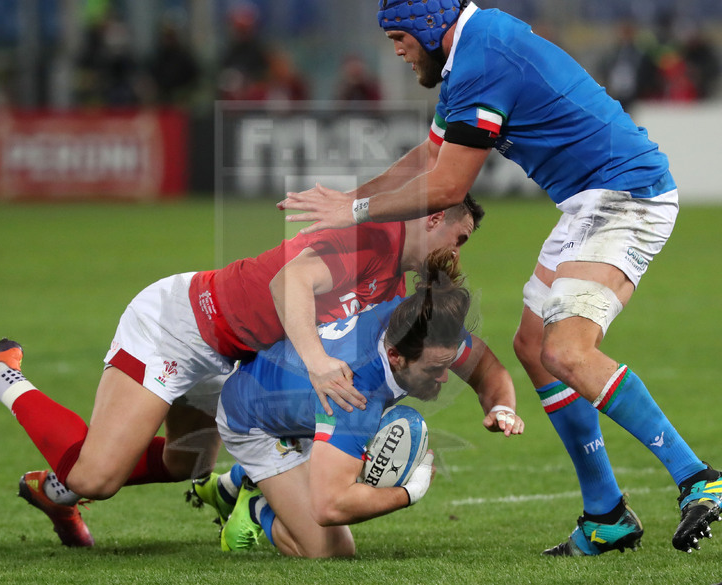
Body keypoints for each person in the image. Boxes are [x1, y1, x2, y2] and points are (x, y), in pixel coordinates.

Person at [278, 0, 721, 555]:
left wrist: (357, 214)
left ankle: (696, 476)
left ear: (427, 24)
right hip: (588, 201)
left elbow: (445, 188)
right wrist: (352, 198)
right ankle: (606, 515)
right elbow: (428, 157)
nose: (395, 49)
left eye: (398, 35)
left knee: (567, 351)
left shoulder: (480, 60)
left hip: (625, 196)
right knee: (534, 348)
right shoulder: (473, 49)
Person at [0, 196, 484, 548]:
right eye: (459, 237)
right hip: (177, 328)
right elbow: (287, 284)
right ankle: (0, 373)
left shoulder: (392, 287)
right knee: (96, 479)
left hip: (230, 360)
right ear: (433, 218)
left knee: (182, 462)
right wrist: (318, 364)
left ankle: (53, 495)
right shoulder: (370, 240)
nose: (458, 251)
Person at [215, 250, 524, 557]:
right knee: (330, 549)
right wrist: (408, 493)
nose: (445, 378)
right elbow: (329, 505)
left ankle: (250, 478)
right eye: (433, 370)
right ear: (394, 357)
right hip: (252, 420)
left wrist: (502, 407)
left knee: (362, 453)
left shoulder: (418, 326)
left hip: (298, 400)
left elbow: (487, 370)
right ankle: (257, 506)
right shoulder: (354, 394)